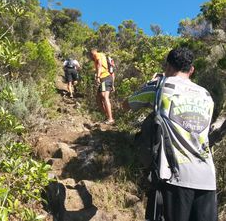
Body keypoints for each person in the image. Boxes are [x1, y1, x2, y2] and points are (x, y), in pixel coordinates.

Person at [124, 47, 217, 221]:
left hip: (175, 178)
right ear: (191, 70)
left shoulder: (159, 86)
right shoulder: (206, 95)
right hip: (207, 178)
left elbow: (127, 104)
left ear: (167, 66)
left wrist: (149, 84)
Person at [90, 49, 114, 124]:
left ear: (92, 53)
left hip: (104, 78)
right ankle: (107, 117)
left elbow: (100, 65)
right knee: (98, 99)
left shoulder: (97, 55)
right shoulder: (103, 55)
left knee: (104, 96)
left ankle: (110, 119)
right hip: (107, 78)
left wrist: (98, 77)